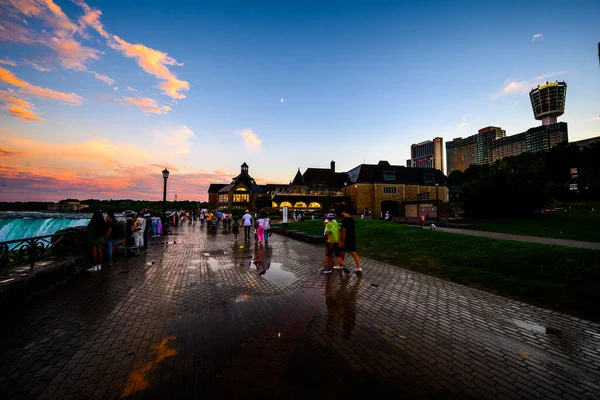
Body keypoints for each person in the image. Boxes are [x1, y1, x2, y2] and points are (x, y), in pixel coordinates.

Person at [338, 206, 361, 274]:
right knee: (354, 253)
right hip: (352, 238)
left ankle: (341, 265)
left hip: (347, 238)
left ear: (344, 212)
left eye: (342, 212)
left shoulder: (344, 220)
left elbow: (344, 231)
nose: (341, 214)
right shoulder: (352, 219)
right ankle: (359, 267)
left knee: (341, 251)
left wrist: (342, 241)